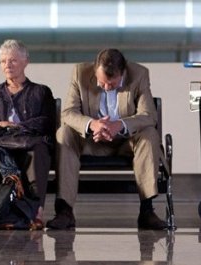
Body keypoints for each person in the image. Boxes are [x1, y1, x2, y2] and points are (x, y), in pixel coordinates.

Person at [54, 48, 169, 231]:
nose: (106, 87)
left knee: (149, 134)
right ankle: (64, 211)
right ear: (95, 70)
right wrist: (93, 124)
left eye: (112, 83)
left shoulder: (139, 74)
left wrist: (120, 125)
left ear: (123, 72)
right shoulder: (79, 73)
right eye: (102, 82)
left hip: (126, 142)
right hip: (91, 141)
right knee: (64, 133)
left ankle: (147, 211)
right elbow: (68, 113)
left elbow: (148, 115)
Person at [0, 39, 56, 218]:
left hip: (29, 141)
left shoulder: (41, 92)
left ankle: (36, 210)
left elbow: (47, 121)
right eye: (3, 61)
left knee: (39, 151)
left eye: (13, 60)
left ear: (26, 62)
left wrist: (19, 127)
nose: (7, 65)